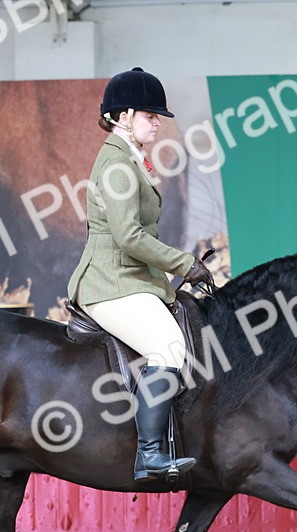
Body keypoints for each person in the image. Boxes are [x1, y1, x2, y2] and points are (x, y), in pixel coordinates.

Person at [66, 67, 213, 482]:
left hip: (131, 280)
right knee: (169, 349)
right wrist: (185, 263)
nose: (158, 123)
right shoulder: (116, 163)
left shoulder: (129, 159)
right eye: (151, 116)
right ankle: (149, 455)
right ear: (125, 115)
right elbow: (129, 236)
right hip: (109, 283)